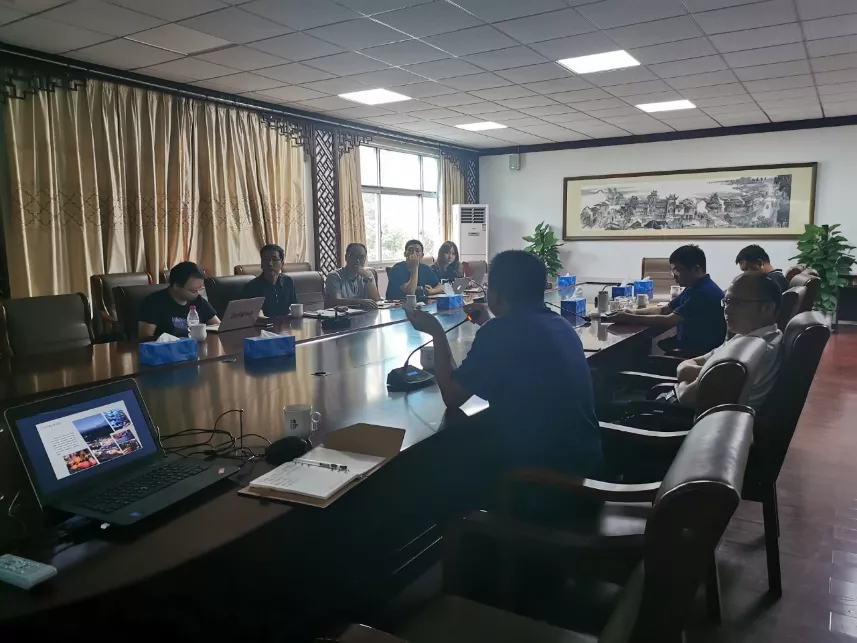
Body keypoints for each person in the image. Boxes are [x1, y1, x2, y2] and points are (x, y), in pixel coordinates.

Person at [404, 250, 603, 478]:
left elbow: (452, 397)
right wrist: (489, 323)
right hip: (585, 465)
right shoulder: (560, 324)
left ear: (496, 295)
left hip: (543, 479)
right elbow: (519, 348)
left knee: (440, 466)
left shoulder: (499, 333)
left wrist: (436, 332)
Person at [673, 271, 783, 409]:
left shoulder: (752, 351)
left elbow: (686, 397)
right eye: (726, 302)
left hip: (695, 418)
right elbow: (687, 367)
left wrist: (681, 384)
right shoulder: (749, 337)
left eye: (737, 303)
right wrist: (704, 373)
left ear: (767, 308)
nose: (727, 310)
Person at [611, 244, 726, 355]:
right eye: (673, 271)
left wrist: (629, 318)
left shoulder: (703, 292)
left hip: (696, 356)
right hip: (689, 349)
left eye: (677, 271)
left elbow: (669, 320)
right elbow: (664, 310)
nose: (674, 276)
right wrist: (633, 312)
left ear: (695, 269)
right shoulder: (693, 287)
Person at [139, 262, 219, 338]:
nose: (198, 293)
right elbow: (145, 337)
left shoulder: (198, 300)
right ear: (176, 286)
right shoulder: (153, 302)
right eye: (193, 290)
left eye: (200, 289)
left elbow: (218, 326)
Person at [239, 244, 297, 317]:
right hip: (263, 324)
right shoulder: (250, 287)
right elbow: (244, 316)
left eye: (274, 259)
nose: (270, 263)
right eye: (266, 259)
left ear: (282, 264)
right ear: (261, 264)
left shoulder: (288, 282)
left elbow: (295, 307)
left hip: (286, 323)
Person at [325, 242, 380, 309]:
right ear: (346, 257)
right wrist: (360, 302)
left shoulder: (368, 274)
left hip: (363, 314)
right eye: (353, 256)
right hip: (340, 314)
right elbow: (336, 300)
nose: (357, 260)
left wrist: (367, 278)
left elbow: (376, 299)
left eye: (361, 257)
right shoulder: (334, 276)